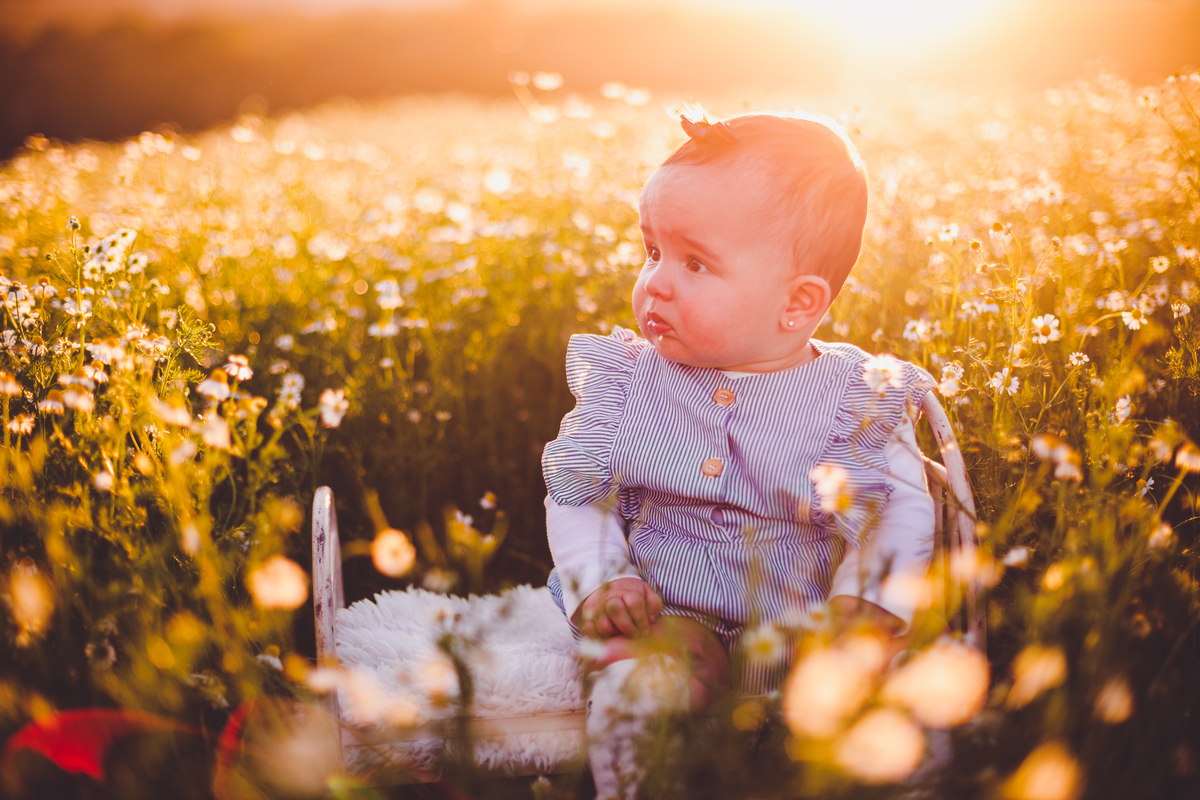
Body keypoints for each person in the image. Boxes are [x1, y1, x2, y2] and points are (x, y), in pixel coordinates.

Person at [542, 109, 936, 799]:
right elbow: (578, 494)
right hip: (667, 616)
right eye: (651, 252)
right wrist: (600, 579)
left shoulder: (855, 399)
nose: (656, 283)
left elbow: (898, 512)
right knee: (647, 686)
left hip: (803, 625)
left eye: (695, 262)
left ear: (797, 304)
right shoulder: (629, 381)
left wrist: (866, 601)